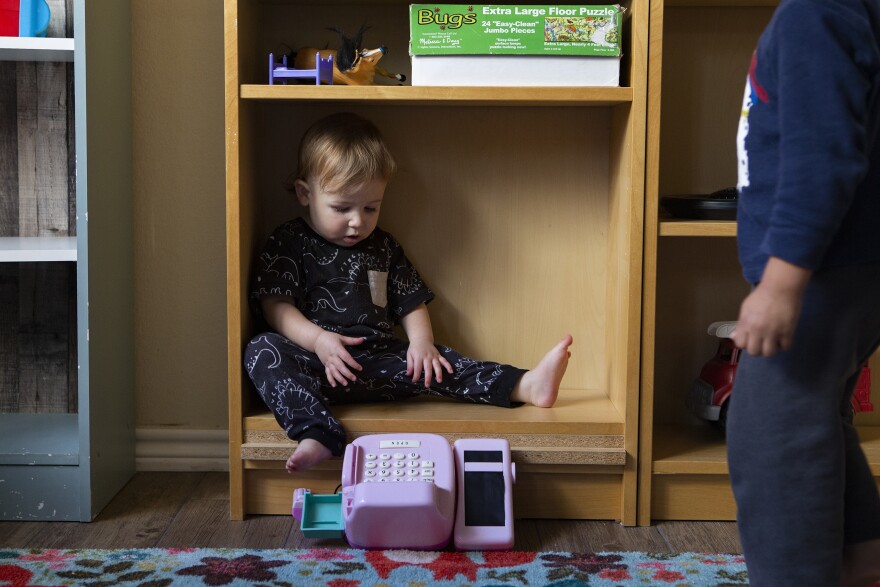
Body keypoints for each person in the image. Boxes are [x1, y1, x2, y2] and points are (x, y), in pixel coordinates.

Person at [244, 112, 573, 473]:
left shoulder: (382, 246)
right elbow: (276, 306)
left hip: (380, 361)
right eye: (342, 208)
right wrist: (319, 341)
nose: (358, 221)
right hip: (316, 363)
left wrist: (421, 343)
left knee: (442, 362)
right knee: (262, 350)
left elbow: (410, 300)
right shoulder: (288, 241)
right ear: (305, 194)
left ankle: (526, 386)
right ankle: (316, 432)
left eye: (371, 207)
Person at [728, 0, 880, 585]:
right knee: (820, 412)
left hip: (821, 271)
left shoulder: (817, 12)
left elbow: (823, 156)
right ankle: (863, 555)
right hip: (850, 266)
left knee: (773, 435)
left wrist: (783, 283)